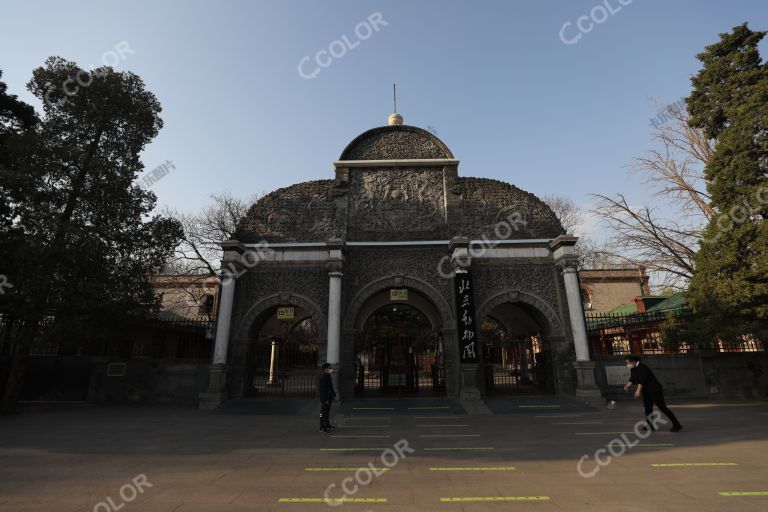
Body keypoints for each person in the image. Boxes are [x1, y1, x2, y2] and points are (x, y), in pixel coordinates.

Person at [624, 355, 683, 432]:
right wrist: (627, 386)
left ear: (634, 362)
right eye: (627, 363)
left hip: (654, 390)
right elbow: (633, 378)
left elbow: (642, 380)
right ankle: (650, 426)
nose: (628, 365)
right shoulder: (634, 368)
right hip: (646, 391)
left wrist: (638, 391)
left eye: (628, 363)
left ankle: (677, 425)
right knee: (648, 409)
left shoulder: (642, 367)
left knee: (662, 407)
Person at [318, 363, 336, 433]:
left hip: (329, 397)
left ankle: (327, 424)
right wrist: (325, 399)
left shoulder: (328, 376)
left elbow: (330, 387)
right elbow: (322, 390)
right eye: (329, 367)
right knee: (322, 413)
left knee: (327, 412)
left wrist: (333, 394)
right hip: (325, 399)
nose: (331, 369)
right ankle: (322, 426)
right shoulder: (323, 377)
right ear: (325, 369)